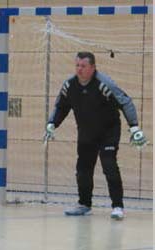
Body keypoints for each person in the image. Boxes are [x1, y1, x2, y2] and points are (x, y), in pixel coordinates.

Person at [44, 51, 147, 220]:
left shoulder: (104, 84)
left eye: (83, 66)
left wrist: (134, 127)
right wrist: (51, 123)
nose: (79, 69)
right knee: (83, 169)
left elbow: (125, 102)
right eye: (77, 65)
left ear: (93, 67)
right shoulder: (70, 85)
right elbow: (61, 106)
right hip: (86, 132)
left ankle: (118, 207)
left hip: (109, 131)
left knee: (109, 165)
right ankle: (84, 204)